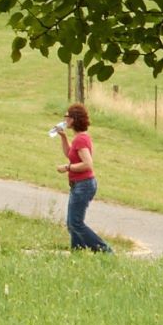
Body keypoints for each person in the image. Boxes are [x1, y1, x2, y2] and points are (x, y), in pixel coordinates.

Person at [56, 103, 112, 253]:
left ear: (73, 119)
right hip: (79, 185)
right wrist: (63, 137)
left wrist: (67, 168)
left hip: (84, 185)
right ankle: (78, 253)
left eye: (66, 116)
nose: (64, 119)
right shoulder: (78, 139)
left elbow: (87, 164)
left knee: (75, 223)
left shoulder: (81, 140)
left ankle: (105, 250)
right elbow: (70, 154)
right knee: (72, 223)